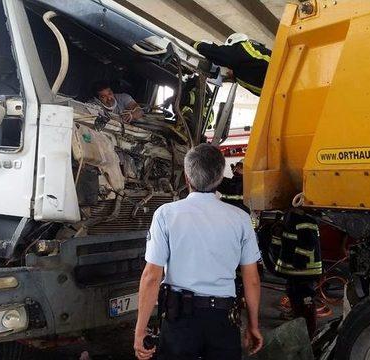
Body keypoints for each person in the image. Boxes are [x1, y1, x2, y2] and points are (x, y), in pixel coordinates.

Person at [134, 144, 264, 360]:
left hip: (179, 322)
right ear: (221, 177)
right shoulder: (240, 218)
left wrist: (140, 330)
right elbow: (252, 280)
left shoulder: (166, 214)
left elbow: (151, 277)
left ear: (187, 177)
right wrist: (253, 324)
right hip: (224, 322)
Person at [192, 33, 272, 96]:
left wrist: (197, 44)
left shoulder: (242, 47)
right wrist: (235, 76)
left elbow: (216, 52)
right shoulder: (248, 60)